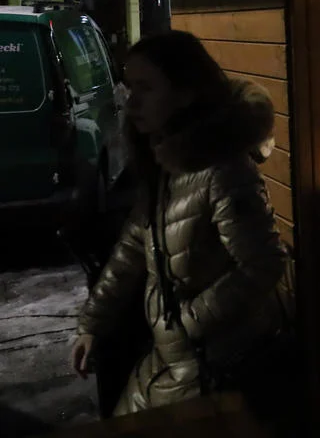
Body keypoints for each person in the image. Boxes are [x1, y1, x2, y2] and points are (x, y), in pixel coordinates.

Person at [70, 31, 289, 417]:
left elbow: (265, 263)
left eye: (146, 88)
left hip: (216, 365)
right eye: (128, 86)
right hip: (173, 358)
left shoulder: (223, 170)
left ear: (186, 93)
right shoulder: (165, 159)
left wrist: (186, 322)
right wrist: (93, 323)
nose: (131, 102)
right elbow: (134, 246)